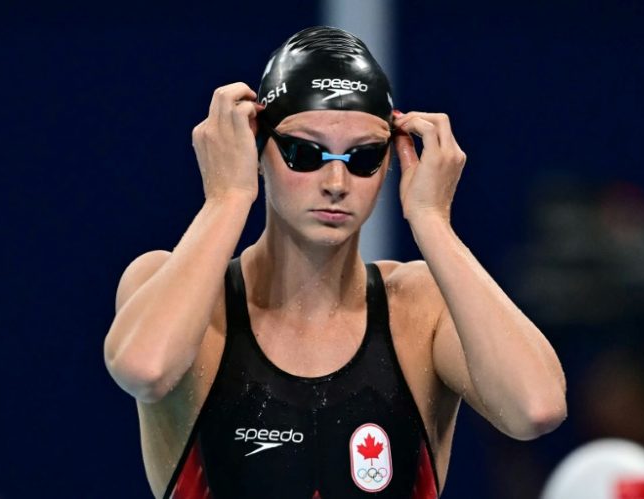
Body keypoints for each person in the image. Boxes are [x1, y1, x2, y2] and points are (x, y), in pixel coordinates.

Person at [104, 26, 567, 499]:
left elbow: (536, 408)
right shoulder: (178, 295)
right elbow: (145, 370)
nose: (336, 181)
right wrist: (226, 198)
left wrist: (433, 222)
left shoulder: (419, 309)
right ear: (256, 148)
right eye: (305, 153)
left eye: (363, 158)